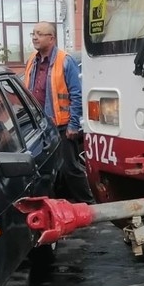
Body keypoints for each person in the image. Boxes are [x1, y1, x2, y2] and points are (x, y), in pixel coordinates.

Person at [24, 21, 94, 204]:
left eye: (39, 34)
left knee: (70, 168)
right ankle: (55, 206)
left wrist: (73, 124)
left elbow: (77, 95)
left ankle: (89, 205)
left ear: (51, 38)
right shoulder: (32, 60)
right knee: (46, 169)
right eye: (33, 33)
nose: (34, 37)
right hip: (39, 126)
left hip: (61, 125)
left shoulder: (65, 60)